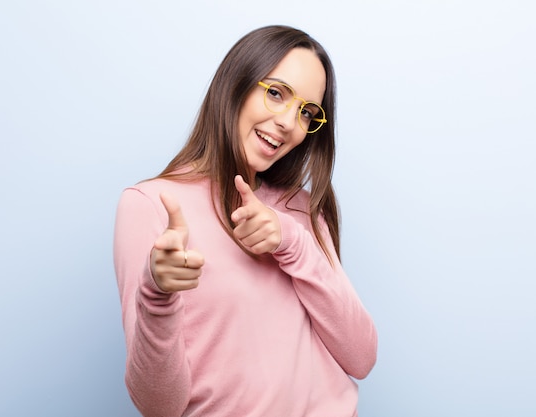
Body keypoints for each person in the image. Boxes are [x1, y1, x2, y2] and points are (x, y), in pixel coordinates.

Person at [113, 25, 377, 417]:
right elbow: (159, 407)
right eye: (275, 93)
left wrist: (292, 241)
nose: (289, 122)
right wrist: (156, 295)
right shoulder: (150, 206)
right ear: (234, 85)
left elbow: (361, 356)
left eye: (307, 112)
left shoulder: (302, 208)